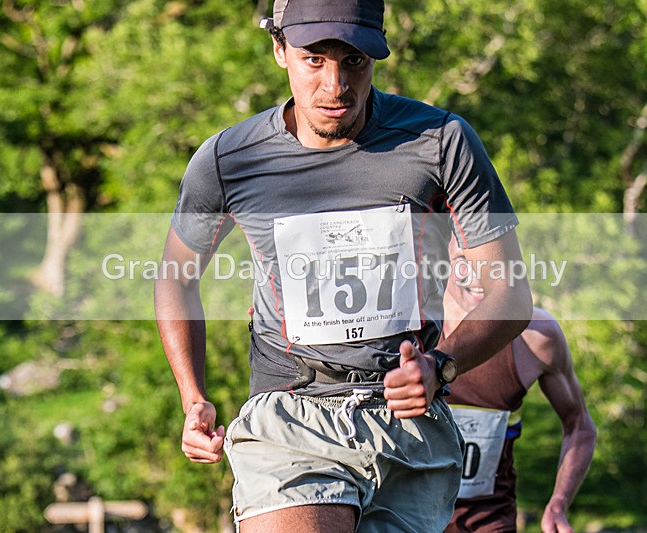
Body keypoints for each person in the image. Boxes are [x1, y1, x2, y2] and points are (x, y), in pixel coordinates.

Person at [154, 1, 533, 531]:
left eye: (354, 60)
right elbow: (175, 278)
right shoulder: (230, 159)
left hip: (407, 425)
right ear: (279, 50)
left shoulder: (440, 141)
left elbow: (510, 293)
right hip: (291, 414)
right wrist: (192, 397)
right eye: (314, 60)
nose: (336, 85)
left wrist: (441, 365)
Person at [441, 239, 596, 533]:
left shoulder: (536, 337)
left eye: (490, 260)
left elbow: (580, 426)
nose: (477, 275)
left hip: (490, 523)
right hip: (408, 523)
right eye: (464, 260)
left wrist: (558, 505)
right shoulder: (406, 333)